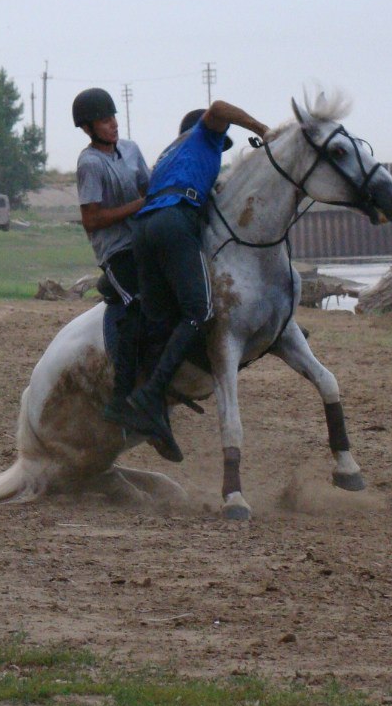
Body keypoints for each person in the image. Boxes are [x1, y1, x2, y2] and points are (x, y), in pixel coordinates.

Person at [109, 101, 270, 458]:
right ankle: (152, 396)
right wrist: (263, 130)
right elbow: (219, 107)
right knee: (199, 312)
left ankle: (132, 399)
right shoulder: (202, 135)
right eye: (220, 137)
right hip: (173, 221)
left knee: (159, 320)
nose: (221, 143)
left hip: (145, 230)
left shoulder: (168, 156)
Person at [71, 87, 162, 450]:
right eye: (105, 120)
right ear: (89, 127)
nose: (113, 125)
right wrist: (140, 206)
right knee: (137, 306)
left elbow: (150, 186)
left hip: (144, 240)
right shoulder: (89, 164)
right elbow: (91, 220)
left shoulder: (132, 151)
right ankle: (121, 399)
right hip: (117, 252)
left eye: (113, 118)